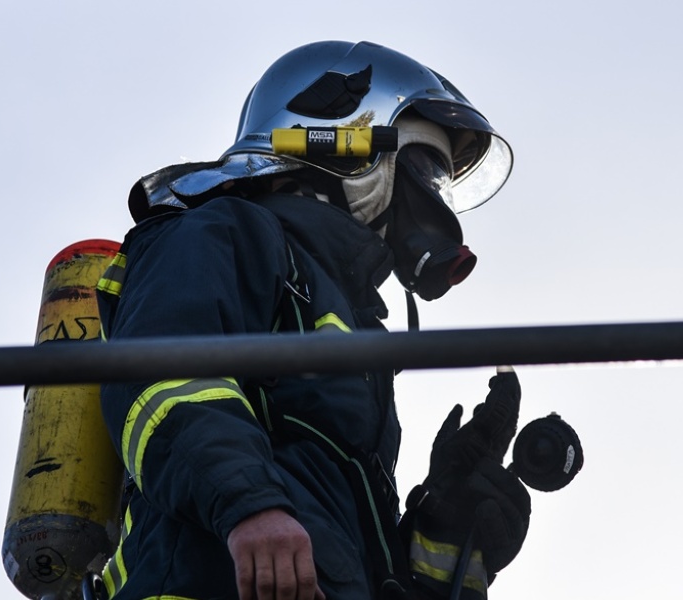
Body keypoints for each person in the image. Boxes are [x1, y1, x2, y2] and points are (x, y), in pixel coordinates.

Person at [94, 40, 531, 600]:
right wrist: (250, 505)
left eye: (441, 182)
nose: (432, 200)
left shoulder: (359, 333)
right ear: (339, 139)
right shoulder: (223, 231)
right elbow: (161, 379)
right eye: (424, 168)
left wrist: (448, 533)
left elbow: (344, 543)